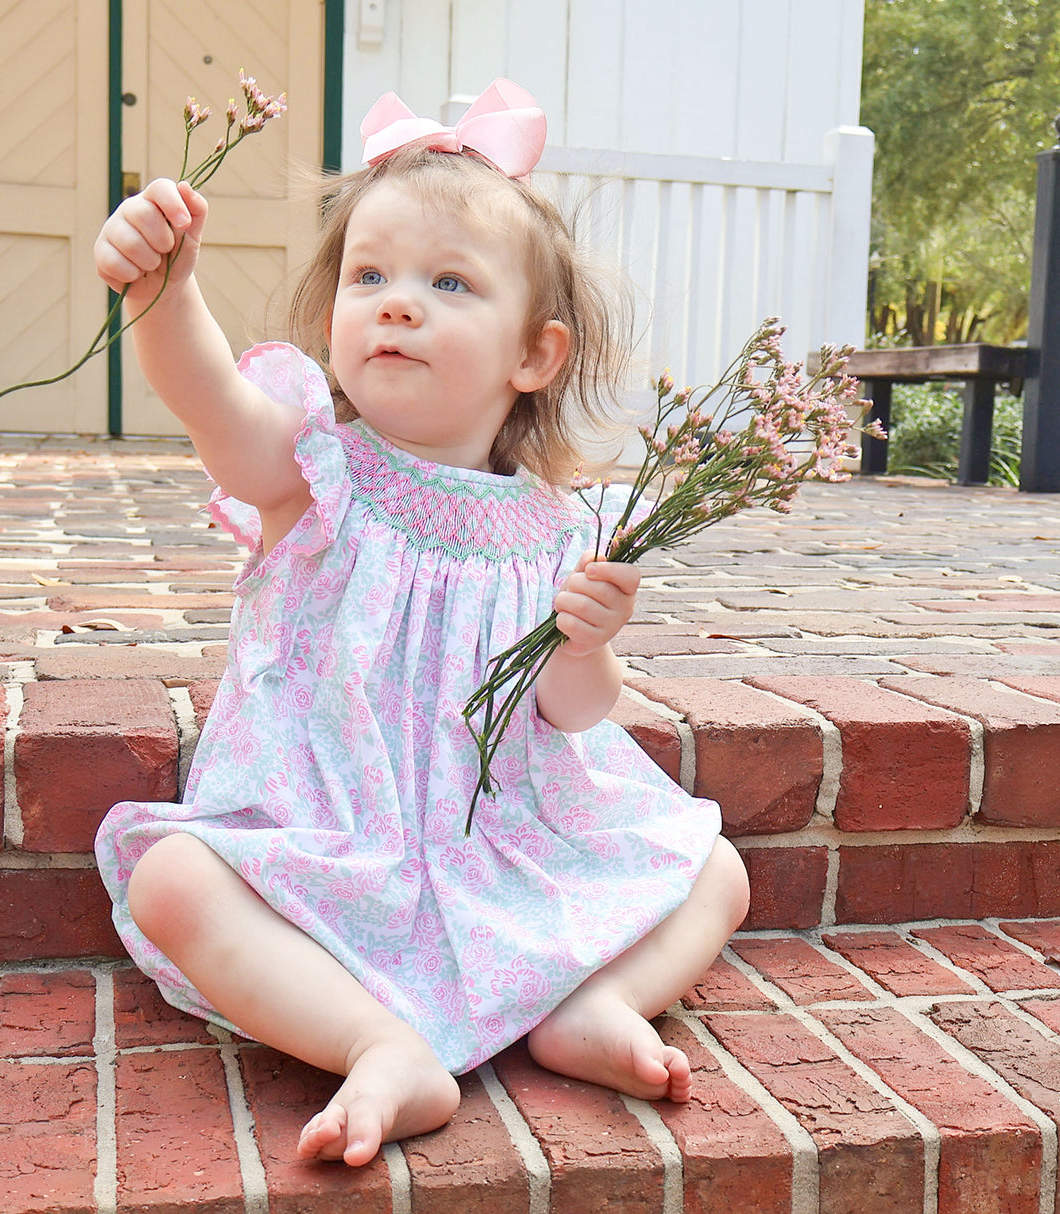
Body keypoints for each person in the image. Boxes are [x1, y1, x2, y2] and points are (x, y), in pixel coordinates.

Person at [93, 79, 749, 1168]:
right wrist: (162, 294)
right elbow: (208, 398)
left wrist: (586, 642)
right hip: (333, 826)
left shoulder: (557, 525)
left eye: (447, 282)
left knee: (712, 864)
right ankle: (381, 1043)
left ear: (532, 355)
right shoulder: (312, 471)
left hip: (506, 840)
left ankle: (593, 1004)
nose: (396, 302)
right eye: (369, 275)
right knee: (170, 878)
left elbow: (575, 711)